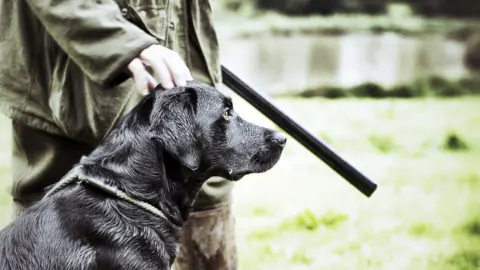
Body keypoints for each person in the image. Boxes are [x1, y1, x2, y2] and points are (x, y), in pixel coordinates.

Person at [0, 0, 237, 269]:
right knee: (47, 226)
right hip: (71, 77)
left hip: (184, 52)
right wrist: (121, 41)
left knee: (207, 198)